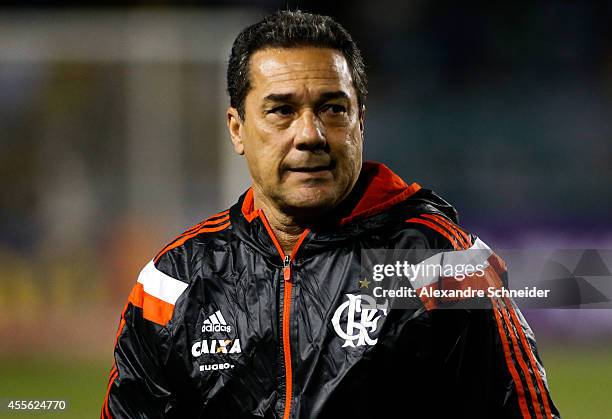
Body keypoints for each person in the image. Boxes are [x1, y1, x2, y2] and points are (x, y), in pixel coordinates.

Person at [101, 10, 560, 419]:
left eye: (333, 109)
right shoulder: (175, 281)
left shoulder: (444, 265)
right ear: (237, 129)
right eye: (281, 110)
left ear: (361, 120)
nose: (310, 135)